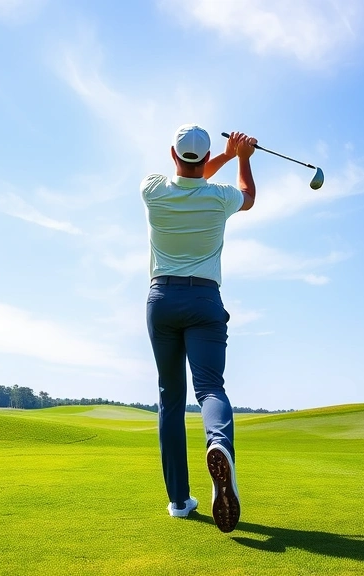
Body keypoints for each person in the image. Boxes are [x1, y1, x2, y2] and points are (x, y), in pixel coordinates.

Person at [140, 124, 257, 533]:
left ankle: (179, 500)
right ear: (207, 160)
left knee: (170, 398)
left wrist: (222, 156)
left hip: (162, 301)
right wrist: (241, 156)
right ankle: (219, 444)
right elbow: (249, 197)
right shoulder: (220, 197)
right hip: (205, 300)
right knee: (210, 388)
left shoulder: (151, 189)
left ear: (172, 155)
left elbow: (192, 177)